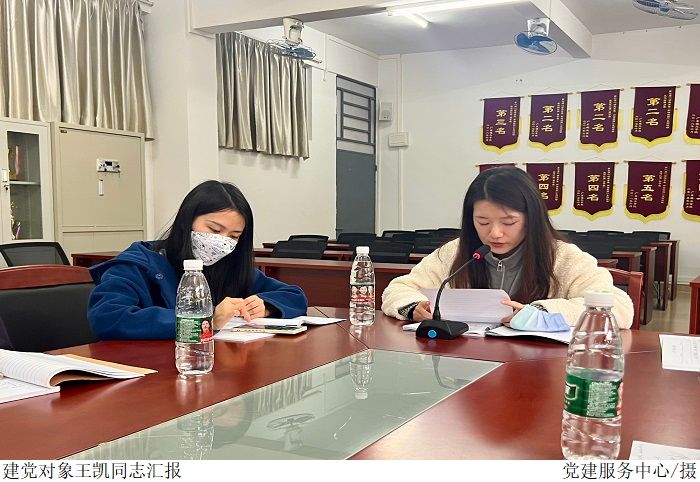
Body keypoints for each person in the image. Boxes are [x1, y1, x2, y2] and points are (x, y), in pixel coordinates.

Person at [381, 166, 634, 328]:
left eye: (509, 222)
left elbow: (618, 308)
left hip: (539, 370)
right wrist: (415, 307)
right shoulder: (455, 253)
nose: (495, 233)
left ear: (532, 218)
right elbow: (399, 288)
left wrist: (540, 313)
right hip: (465, 364)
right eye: (482, 222)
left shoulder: (563, 258)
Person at [88, 180, 308, 339]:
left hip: (213, 365)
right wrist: (204, 321)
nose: (222, 242)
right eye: (214, 230)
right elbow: (107, 316)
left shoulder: (228, 265)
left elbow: (294, 296)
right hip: (149, 369)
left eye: (233, 236)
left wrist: (265, 306)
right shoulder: (139, 263)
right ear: (187, 221)